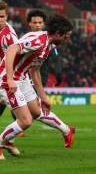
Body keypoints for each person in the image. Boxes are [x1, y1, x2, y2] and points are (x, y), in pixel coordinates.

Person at [0, 14, 74, 160]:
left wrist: (43, 97)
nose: (67, 40)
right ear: (58, 34)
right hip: (6, 79)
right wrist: (9, 79)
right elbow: (11, 50)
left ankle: (66, 130)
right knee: (25, 121)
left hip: (23, 78)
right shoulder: (38, 40)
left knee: (36, 111)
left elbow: (34, 70)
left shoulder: (48, 45)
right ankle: (2, 142)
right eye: (66, 37)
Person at [0, 0, 21, 155]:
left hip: (6, 78)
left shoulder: (9, 36)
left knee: (22, 115)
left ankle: (7, 141)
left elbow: (15, 59)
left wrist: (9, 80)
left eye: (1, 16)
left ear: (6, 16)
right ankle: (7, 142)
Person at [26, 10, 62, 86]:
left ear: (44, 24)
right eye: (35, 23)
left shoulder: (49, 41)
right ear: (29, 23)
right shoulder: (24, 39)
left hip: (40, 79)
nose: (37, 25)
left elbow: (56, 58)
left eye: (40, 23)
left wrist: (58, 73)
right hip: (23, 78)